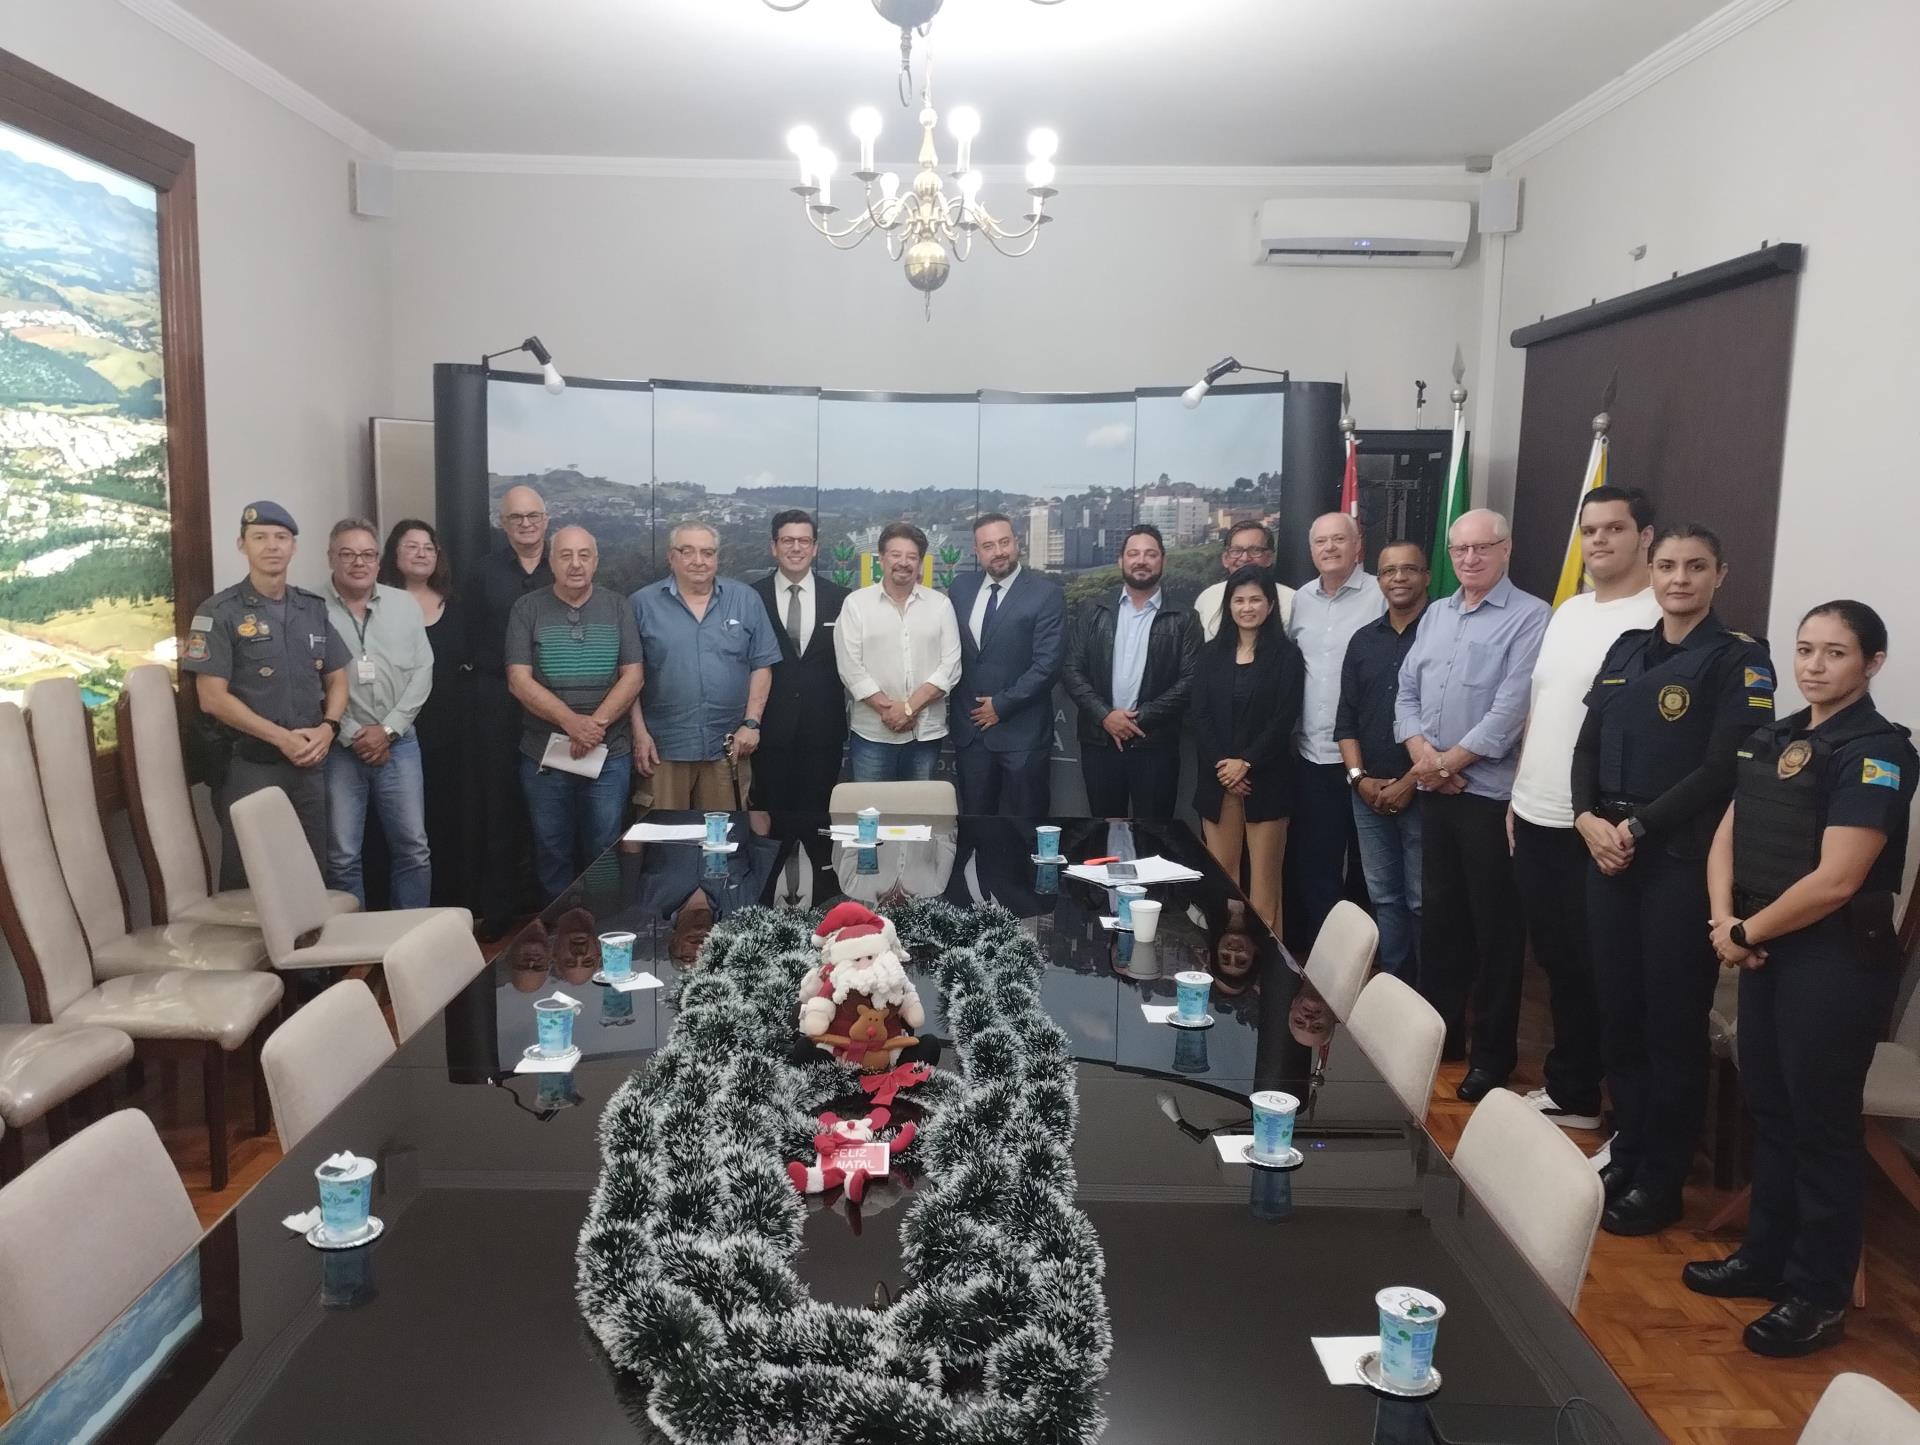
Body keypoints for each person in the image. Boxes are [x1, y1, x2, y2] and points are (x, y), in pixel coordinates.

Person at [1683, 601, 1915, 1358]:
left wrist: (1744, 933)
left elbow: (1839, 878)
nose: (1814, 665)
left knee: (1821, 1127)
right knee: (1772, 1110)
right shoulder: (1773, 737)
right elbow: (1728, 835)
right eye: (1806, 649)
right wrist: (1727, 919)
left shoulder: (1877, 753)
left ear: (1873, 662)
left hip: (1834, 963)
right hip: (1764, 948)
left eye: (1835, 652)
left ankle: (1818, 1296)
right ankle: (1764, 1257)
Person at [1573, 525, 1775, 1236]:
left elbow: (1723, 770)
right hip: (1609, 853)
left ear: (1720, 574)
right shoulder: (1627, 648)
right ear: (1651, 571)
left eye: (1695, 566)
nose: (1679, 578)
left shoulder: (1739, 659)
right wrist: (1584, 817)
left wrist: (1635, 828)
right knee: (1619, 1015)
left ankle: (1662, 1180)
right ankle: (1628, 1150)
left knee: (1670, 1025)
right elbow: (1587, 744)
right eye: (1667, 566)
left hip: (1680, 861)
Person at [1509, 486, 1661, 1133]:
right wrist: (1519, 788)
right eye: (1590, 529)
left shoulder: (1658, 616)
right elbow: (1542, 704)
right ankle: (1572, 1089)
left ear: (1645, 537)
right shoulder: (1568, 610)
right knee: (1559, 961)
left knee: (1608, 968)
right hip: (1536, 808)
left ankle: (1627, 1116)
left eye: (1613, 528)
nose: (1598, 540)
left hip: (1596, 822)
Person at [1394, 508, 1549, 1101]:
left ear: (1506, 549)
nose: (1469, 558)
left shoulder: (1533, 617)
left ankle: (1491, 1057)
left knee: (1495, 933)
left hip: (1488, 799)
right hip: (1436, 793)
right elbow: (1406, 692)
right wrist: (1424, 758)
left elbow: (1511, 711)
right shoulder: (1436, 614)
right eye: (1459, 549)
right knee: (1441, 923)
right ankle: (1444, 1037)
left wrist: (1444, 765)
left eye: (1482, 548)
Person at [182, 502, 348, 887]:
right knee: (250, 879)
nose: (272, 546)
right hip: (249, 764)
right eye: (260, 537)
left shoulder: (312, 609)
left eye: (281, 538)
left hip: (308, 764)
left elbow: (338, 678)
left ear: (293, 546)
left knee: (310, 877)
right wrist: (281, 739)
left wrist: (328, 729)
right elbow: (212, 698)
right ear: (242, 545)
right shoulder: (218, 612)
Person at [505, 526, 645, 900]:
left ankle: (602, 920)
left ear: (596, 561)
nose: (575, 564)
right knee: (551, 846)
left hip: (608, 752)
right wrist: (571, 723)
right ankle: (562, 924)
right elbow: (518, 680)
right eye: (565, 555)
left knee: (604, 845)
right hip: (544, 753)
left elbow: (634, 675)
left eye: (584, 555)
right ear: (550, 562)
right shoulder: (527, 608)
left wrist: (593, 727)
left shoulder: (618, 606)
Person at [1286, 512, 1387, 950]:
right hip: (1313, 756)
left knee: (1370, 867)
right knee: (1318, 863)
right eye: (1321, 541)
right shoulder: (1301, 600)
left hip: (1370, 757)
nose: (1329, 548)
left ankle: (1365, 958)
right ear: (1311, 550)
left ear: (1357, 545)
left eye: (1339, 540)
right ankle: (1322, 957)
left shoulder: (1380, 594)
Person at [322, 517, 434, 910]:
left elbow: (423, 670)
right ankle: (352, 941)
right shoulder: (311, 609)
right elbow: (309, 682)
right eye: (348, 554)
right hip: (340, 747)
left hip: (399, 744)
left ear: (378, 560)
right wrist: (352, 732)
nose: (359, 563)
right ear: (331, 558)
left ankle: (412, 936)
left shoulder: (403, 605)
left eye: (368, 555)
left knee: (414, 849)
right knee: (342, 856)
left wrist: (388, 730)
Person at [629, 523, 782, 810]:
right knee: (664, 833)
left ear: (717, 557)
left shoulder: (744, 599)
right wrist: (639, 735)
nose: (698, 561)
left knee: (723, 833)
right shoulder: (641, 604)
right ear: (671, 557)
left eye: (707, 552)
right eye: (687, 551)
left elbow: (762, 664)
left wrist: (751, 723)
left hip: (727, 748)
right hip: (662, 749)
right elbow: (629, 677)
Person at [1335, 541, 1430, 981]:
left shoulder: (1442, 635)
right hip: (1368, 793)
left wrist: (1409, 782)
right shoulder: (1362, 641)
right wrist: (1359, 780)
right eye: (1389, 571)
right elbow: (1346, 721)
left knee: (1421, 899)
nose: (1398, 578)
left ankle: (1426, 993)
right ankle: (1394, 983)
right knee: (1384, 896)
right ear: (1379, 580)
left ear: (1427, 576)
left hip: (1426, 789)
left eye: (1409, 569)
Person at [1190, 566, 1304, 933]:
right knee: (1222, 879)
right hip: (1218, 780)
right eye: (1239, 600)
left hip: (1266, 781)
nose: (1247, 607)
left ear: (1270, 605)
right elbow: (1200, 716)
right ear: (1228, 605)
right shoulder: (1210, 655)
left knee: (1265, 887)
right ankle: (1221, 956)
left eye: (1255, 600)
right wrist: (1226, 768)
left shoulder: (1287, 656)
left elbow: (1283, 719)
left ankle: (1269, 962)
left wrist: (1247, 763)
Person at [1062, 525, 1197, 818]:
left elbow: (1190, 681)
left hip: (1155, 745)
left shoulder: (1184, 617)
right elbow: (1071, 668)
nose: (1141, 561)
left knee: (1154, 833)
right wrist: (1106, 716)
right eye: (1133, 554)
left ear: (1162, 560)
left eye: (1150, 554)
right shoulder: (1093, 610)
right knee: (1105, 829)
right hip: (1100, 741)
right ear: (1121, 560)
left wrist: (1138, 719)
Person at [470, 484, 555, 939]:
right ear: (502, 524)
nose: (525, 524)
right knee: (500, 806)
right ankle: (500, 909)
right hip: (497, 704)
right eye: (515, 517)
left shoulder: (562, 566)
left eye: (532, 516)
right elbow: (468, 634)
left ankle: (552, 905)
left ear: (546, 520)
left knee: (553, 808)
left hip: (556, 704)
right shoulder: (483, 573)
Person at [380, 517, 477, 911]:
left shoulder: (456, 607)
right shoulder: (377, 604)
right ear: (394, 554)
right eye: (411, 546)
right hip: (392, 732)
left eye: (428, 548)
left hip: (449, 733)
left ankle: (445, 909)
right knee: (400, 831)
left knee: (444, 820)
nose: (421, 554)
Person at [947, 513, 1067, 814]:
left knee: (1024, 830)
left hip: (1022, 735)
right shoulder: (960, 588)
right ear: (977, 551)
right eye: (988, 546)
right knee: (976, 828)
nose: (998, 552)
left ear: (1017, 543)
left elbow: (1048, 665)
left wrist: (1001, 705)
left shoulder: (1046, 594)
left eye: (1004, 542)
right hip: (971, 736)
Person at [834, 523, 962, 783]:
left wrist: (909, 709)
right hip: (872, 735)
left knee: (919, 808)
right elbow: (850, 667)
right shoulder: (856, 604)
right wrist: (890, 711)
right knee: (871, 807)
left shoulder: (940, 605)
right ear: (881, 558)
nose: (903, 562)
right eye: (896, 555)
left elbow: (950, 666)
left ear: (920, 563)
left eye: (912, 556)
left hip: (924, 735)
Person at [750, 511, 849, 813]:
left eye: (804, 541)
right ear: (774, 546)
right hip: (768, 731)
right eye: (787, 540)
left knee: (818, 819)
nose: (796, 548)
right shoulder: (752, 597)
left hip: (823, 730)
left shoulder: (842, 599)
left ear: (815, 547)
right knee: (771, 820)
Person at [1194, 521, 1295, 640]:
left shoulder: (1292, 601)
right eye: (1236, 551)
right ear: (1225, 559)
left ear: (1269, 558)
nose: (1245, 558)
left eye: (1255, 550)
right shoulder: (1208, 598)